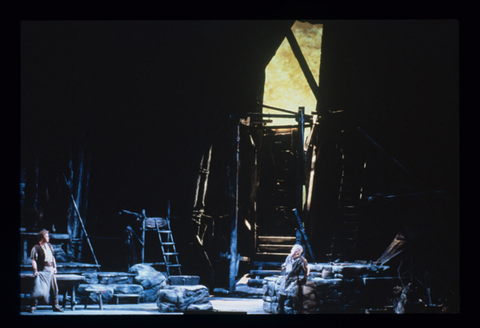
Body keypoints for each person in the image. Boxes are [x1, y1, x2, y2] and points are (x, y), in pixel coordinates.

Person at [28, 229, 63, 313]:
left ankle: (55, 305)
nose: (48, 237)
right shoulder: (36, 248)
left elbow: (52, 258)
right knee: (38, 289)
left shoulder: (50, 246)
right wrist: (35, 270)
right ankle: (33, 306)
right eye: (47, 236)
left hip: (50, 270)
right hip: (43, 270)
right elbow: (33, 260)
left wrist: (55, 267)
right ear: (42, 237)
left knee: (55, 289)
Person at [277, 244, 310, 314]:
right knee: (281, 296)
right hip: (285, 279)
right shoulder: (289, 257)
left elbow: (307, 269)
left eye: (292, 250)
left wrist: (305, 278)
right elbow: (285, 264)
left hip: (293, 280)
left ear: (297, 252)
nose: (291, 251)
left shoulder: (302, 260)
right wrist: (283, 266)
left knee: (294, 297)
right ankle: (281, 311)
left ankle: (296, 312)